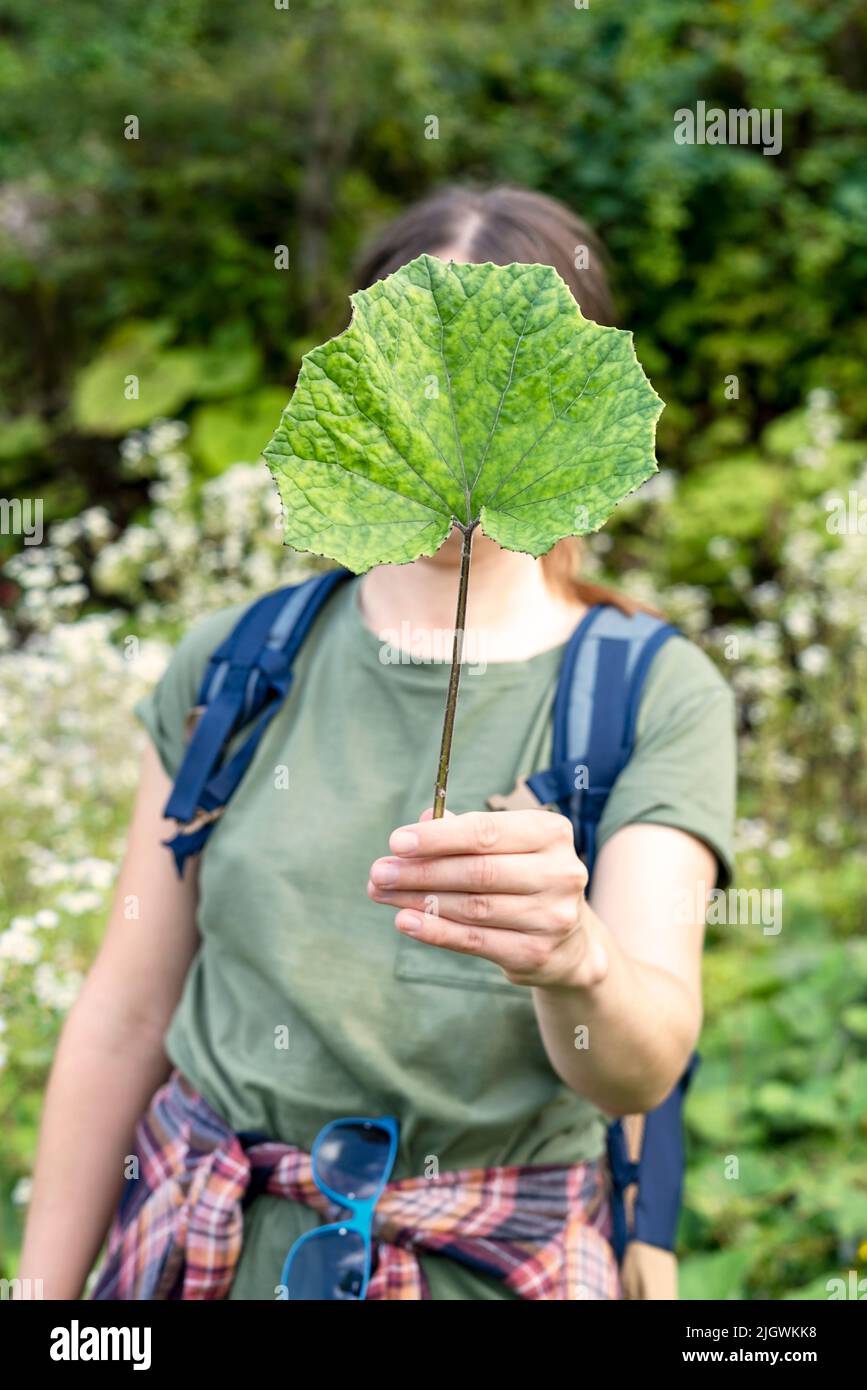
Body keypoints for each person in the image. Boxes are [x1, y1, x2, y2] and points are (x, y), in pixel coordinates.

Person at [18, 185, 736, 1301]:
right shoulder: (240, 659)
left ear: (579, 404)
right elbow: (127, 1014)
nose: (451, 430)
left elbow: (641, 1068)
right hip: (199, 1254)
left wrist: (574, 956)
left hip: (491, 1264)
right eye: (417, 382)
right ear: (355, 388)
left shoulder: (647, 691)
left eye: (500, 392)